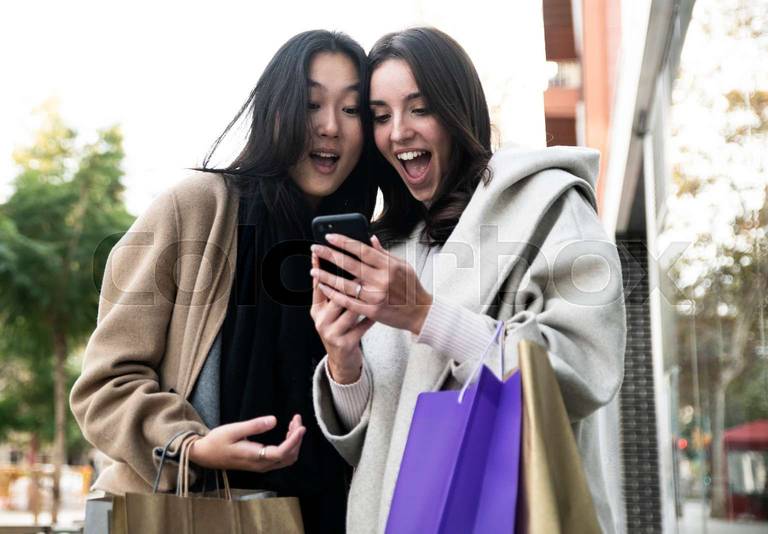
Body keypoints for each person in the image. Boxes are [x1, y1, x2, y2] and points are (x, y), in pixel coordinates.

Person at [309, 27, 627, 533]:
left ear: (457, 110)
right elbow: (375, 441)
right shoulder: (390, 244)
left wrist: (425, 315)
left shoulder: (545, 203)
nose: (398, 133)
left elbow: (584, 368)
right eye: (381, 116)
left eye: (419, 108)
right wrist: (344, 363)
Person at [70, 30, 379, 533]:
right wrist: (192, 447)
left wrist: (348, 363)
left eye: (351, 111)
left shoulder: (366, 249)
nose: (330, 128)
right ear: (275, 111)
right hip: (187, 512)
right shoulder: (195, 209)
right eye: (310, 104)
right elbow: (104, 385)